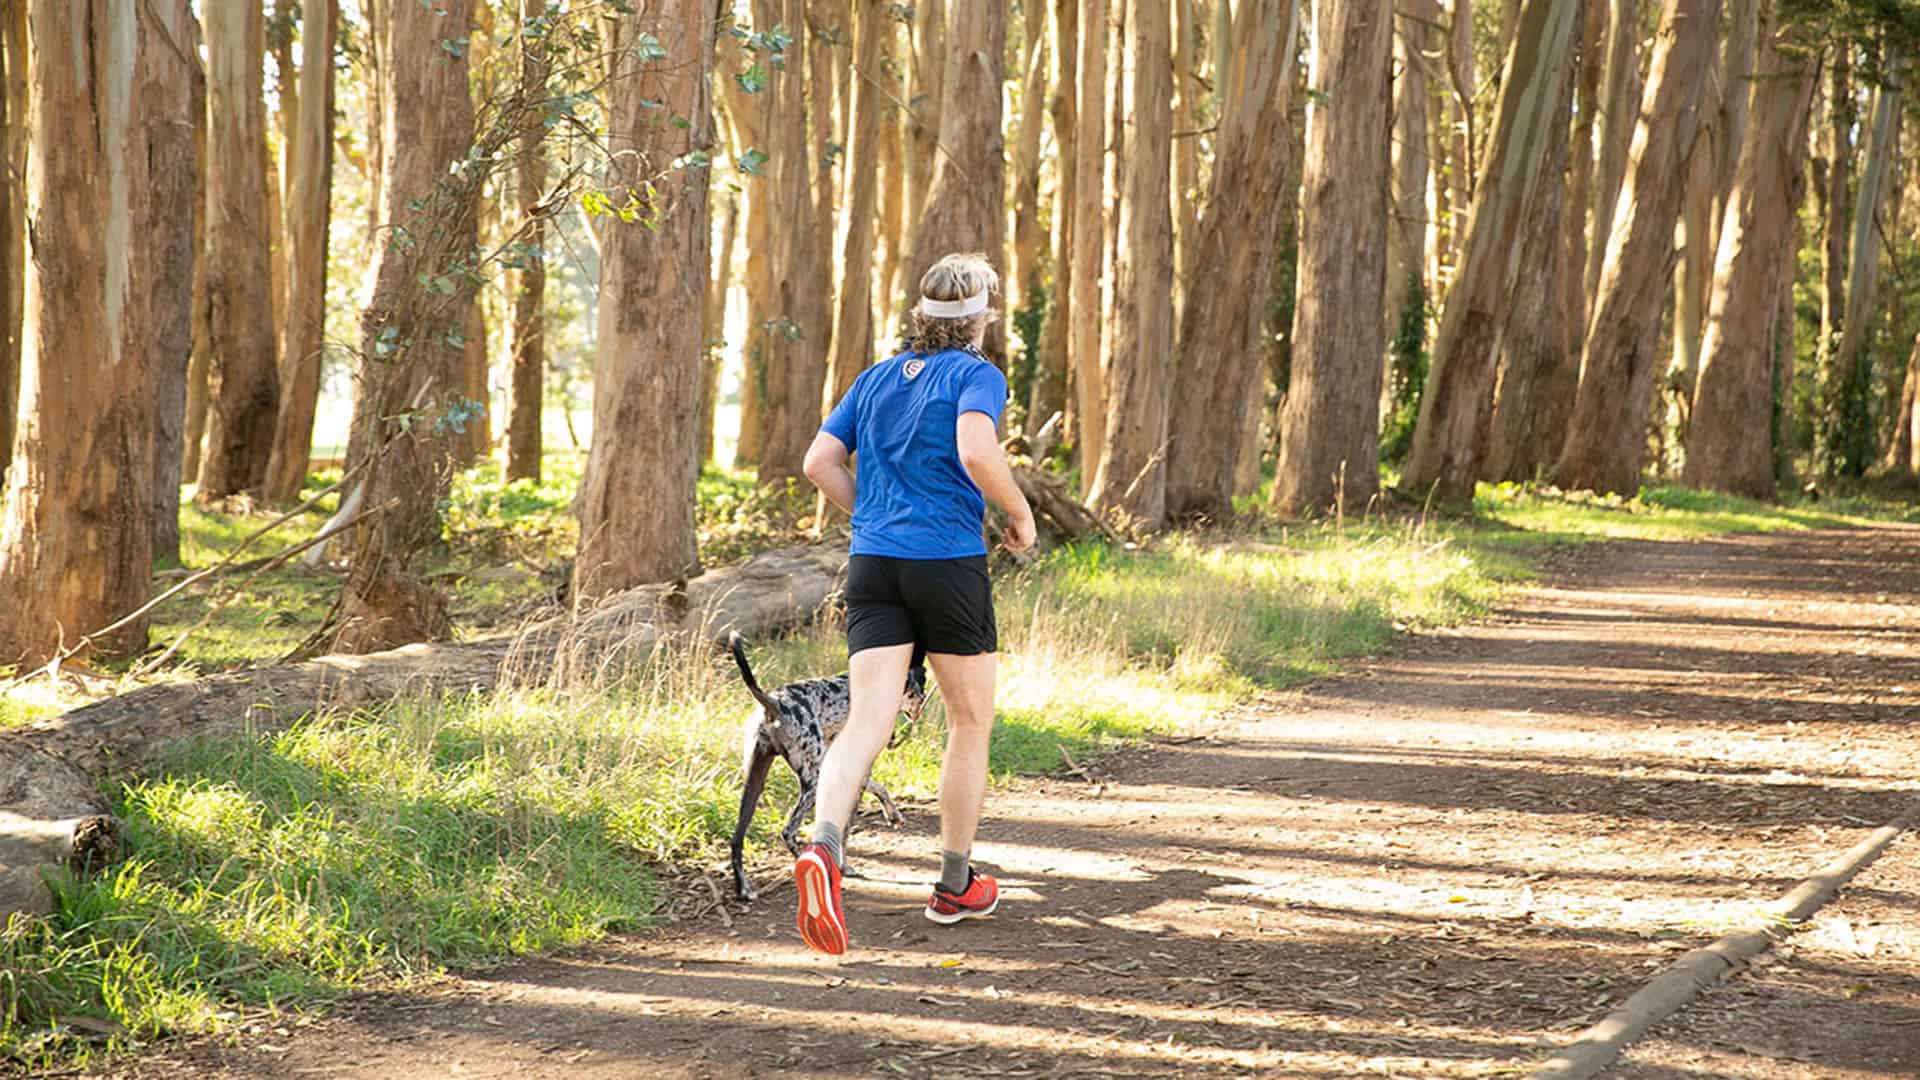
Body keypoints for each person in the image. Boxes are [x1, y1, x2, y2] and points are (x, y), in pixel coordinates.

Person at [792, 252, 1037, 955]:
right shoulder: (976, 374)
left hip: (872, 564)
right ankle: (955, 883)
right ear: (981, 319)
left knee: (867, 719)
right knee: (968, 718)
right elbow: (976, 450)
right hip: (946, 564)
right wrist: (1019, 513)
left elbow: (817, 462)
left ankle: (825, 849)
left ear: (922, 317)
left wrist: (870, 512)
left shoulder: (872, 379)